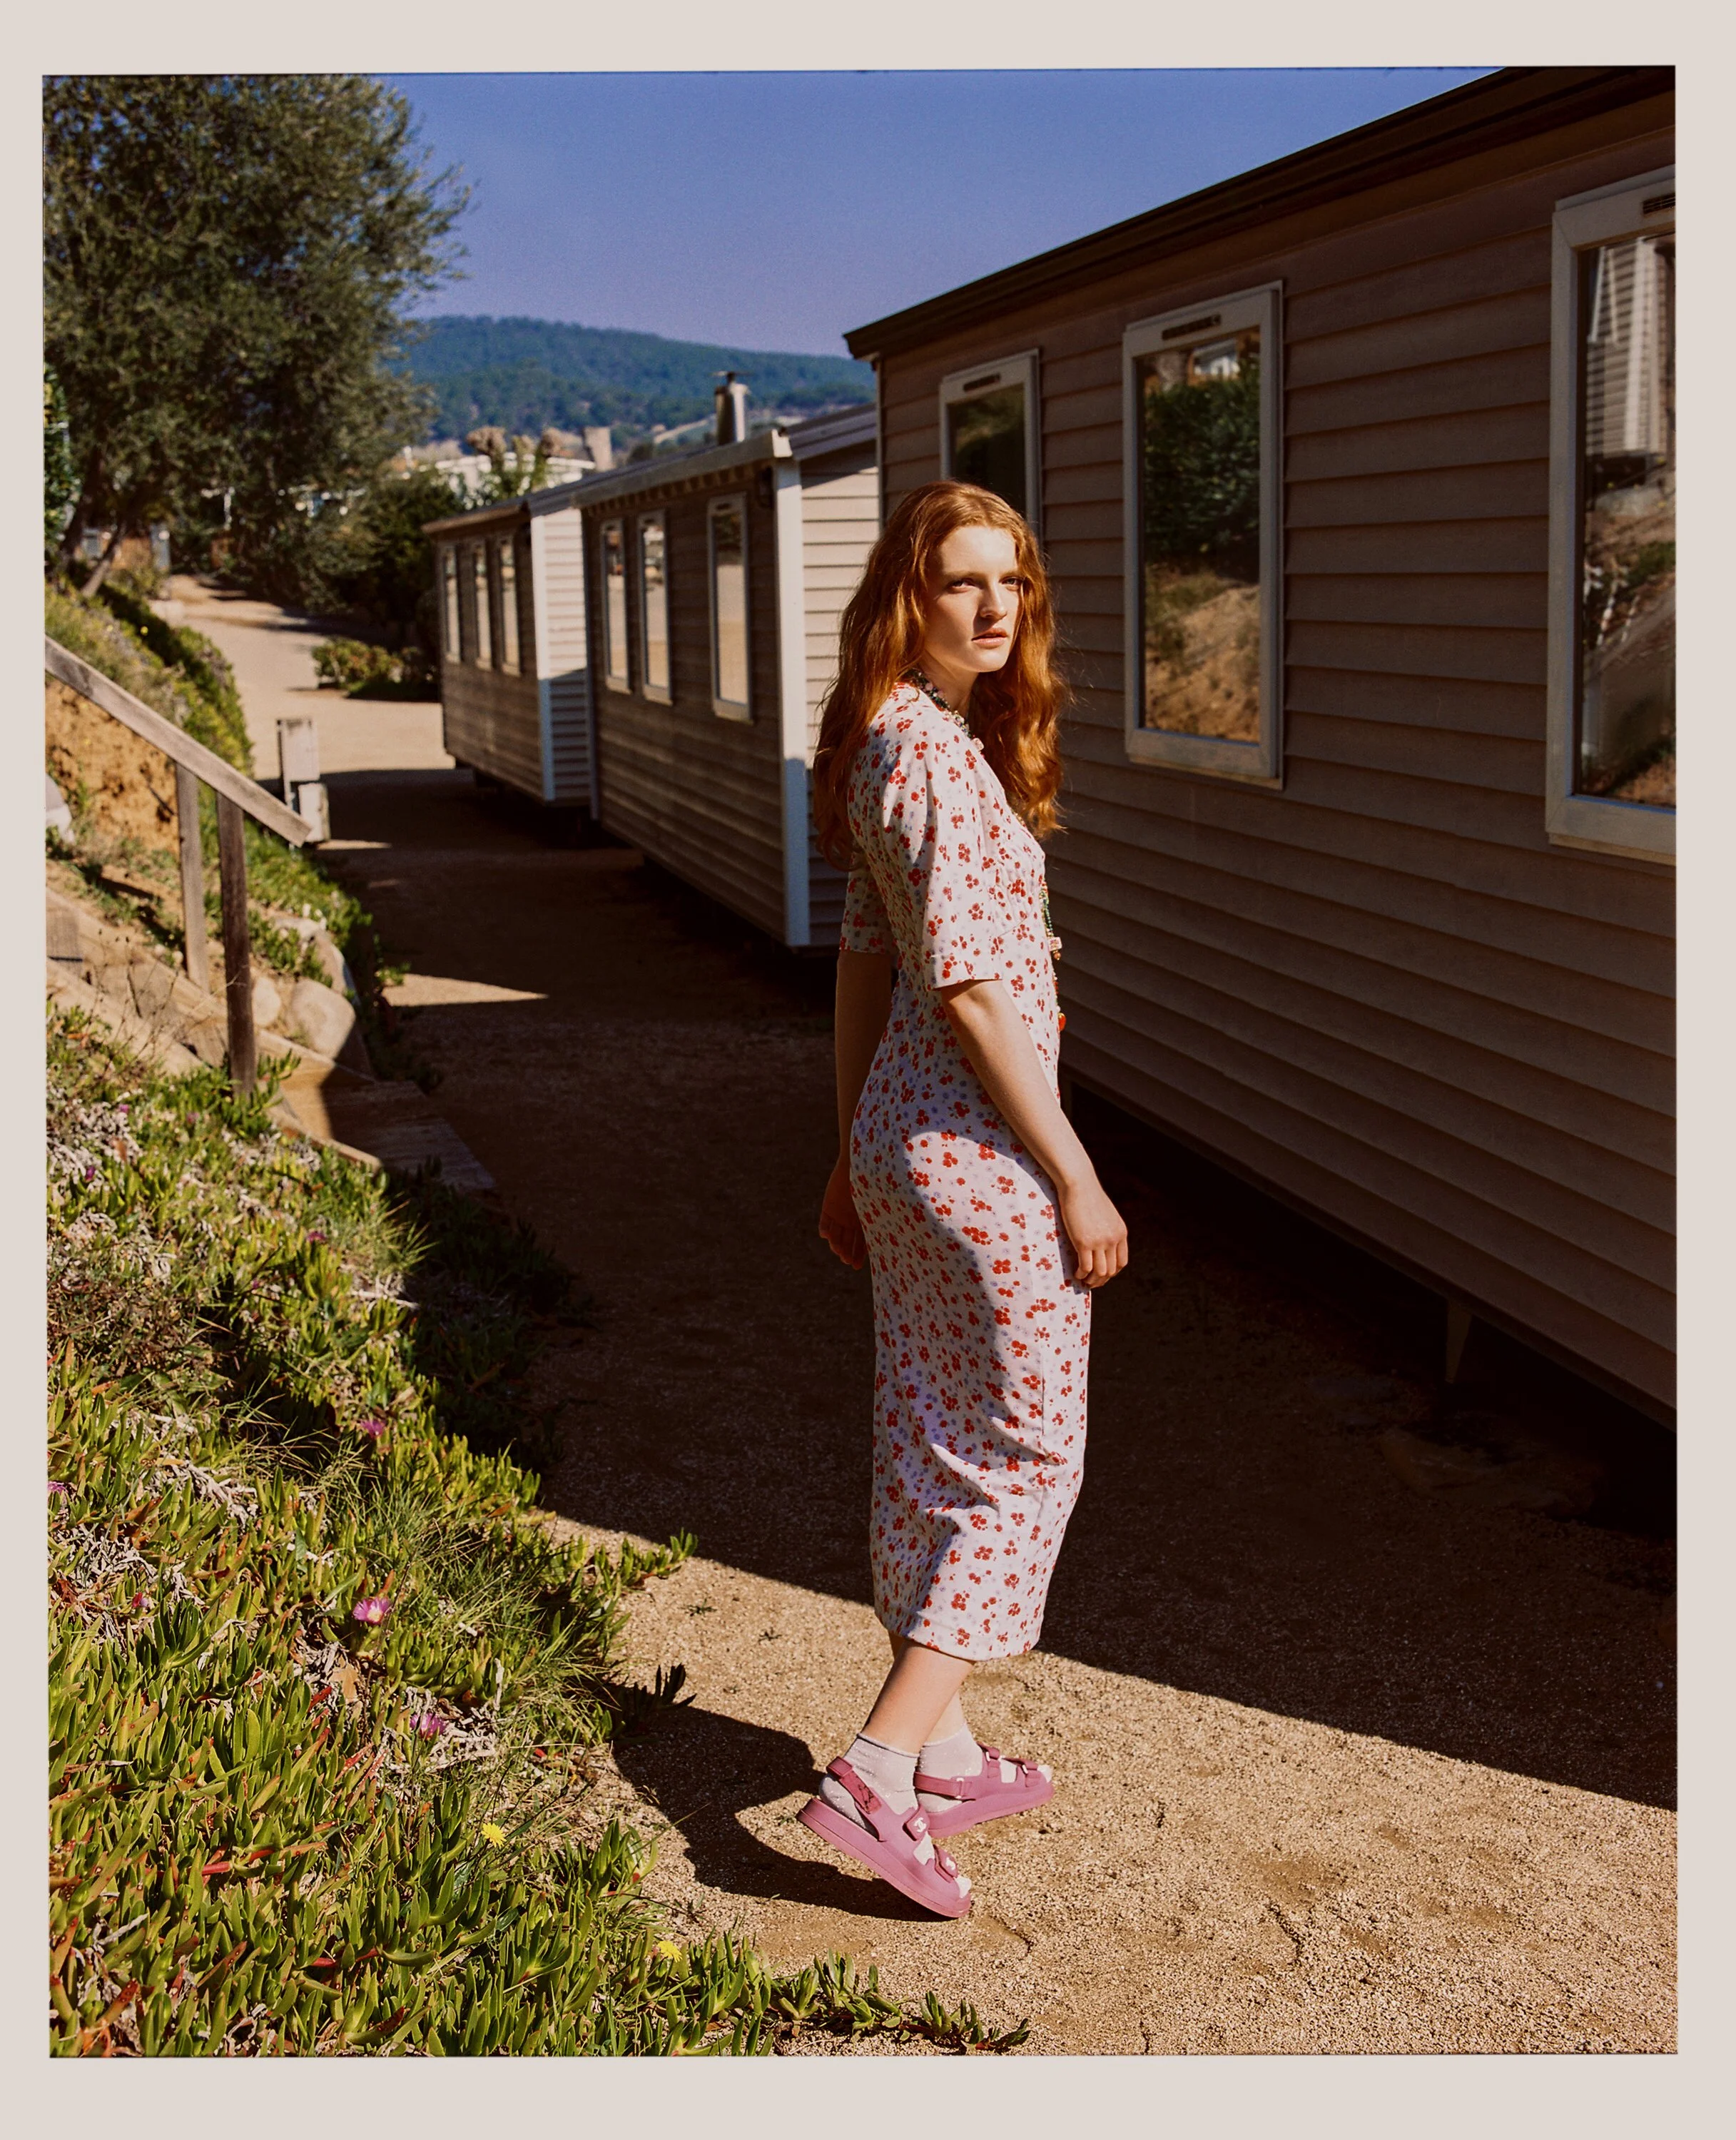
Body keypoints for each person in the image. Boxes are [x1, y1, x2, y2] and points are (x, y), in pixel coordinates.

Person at [803, 480, 1129, 1917]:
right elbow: (973, 992)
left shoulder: (891, 739)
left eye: (1014, 584)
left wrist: (846, 1146)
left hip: (904, 1141)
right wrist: (1076, 1170)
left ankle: (940, 1750)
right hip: (986, 1157)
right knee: (1019, 1460)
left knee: (930, 1429)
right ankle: (876, 1765)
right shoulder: (928, 757)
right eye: (964, 583)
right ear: (908, 594)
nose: (996, 609)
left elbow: (860, 961)